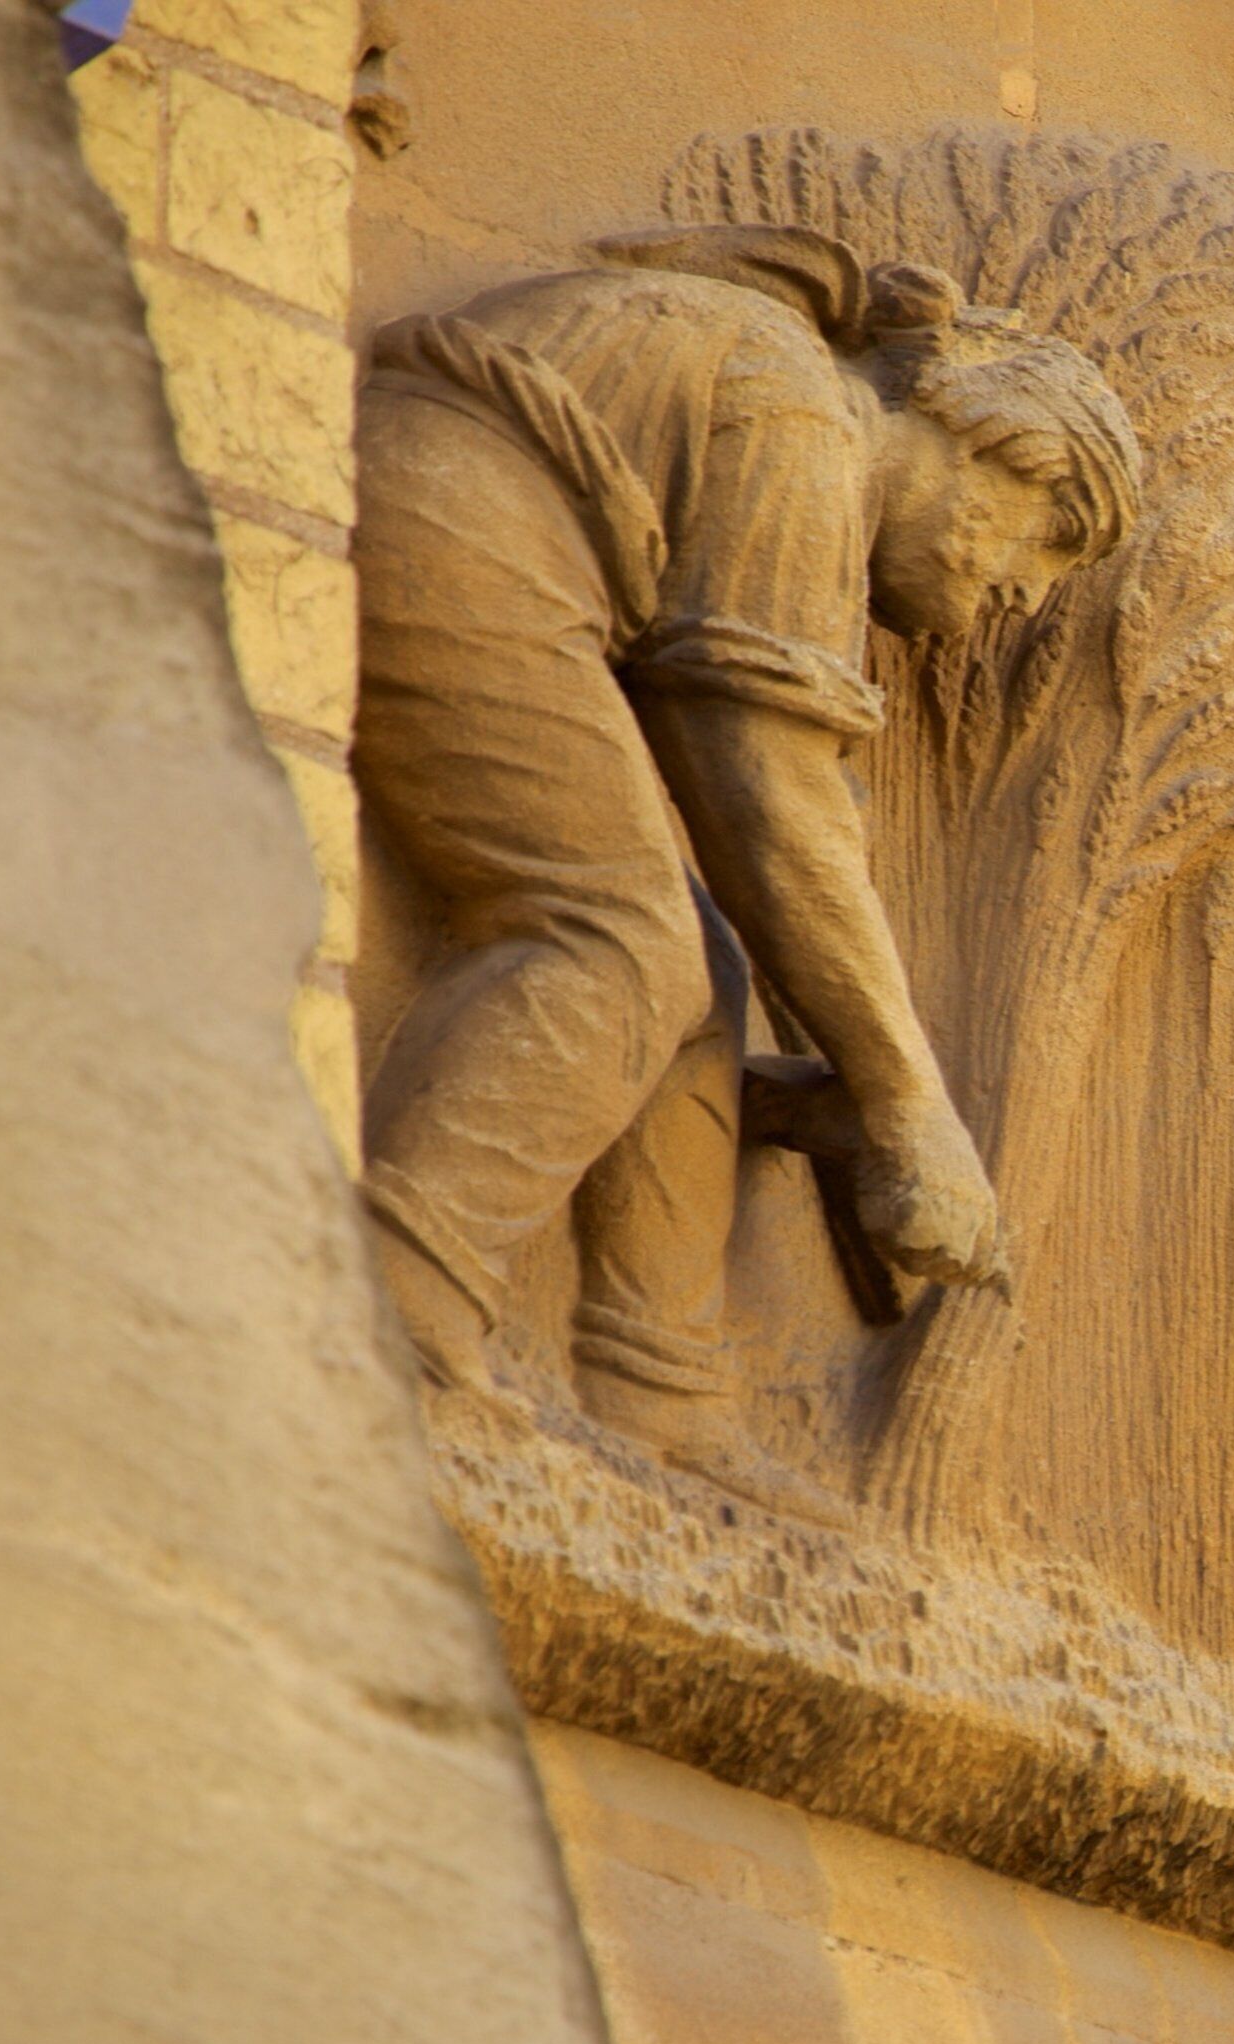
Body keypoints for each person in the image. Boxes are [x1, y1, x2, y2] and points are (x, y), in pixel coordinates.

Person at [351, 223, 1139, 1500]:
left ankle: (658, 1394)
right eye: (1044, 536)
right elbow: (769, 793)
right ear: (977, 435)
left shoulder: (785, 403)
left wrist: (797, 1098)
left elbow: (770, 810)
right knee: (610, 937)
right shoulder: (803, 421)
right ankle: (388, 1319)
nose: (1025, 594)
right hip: (451, 516)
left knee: (694, 967)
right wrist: (907, 1105)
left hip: (477, 522)